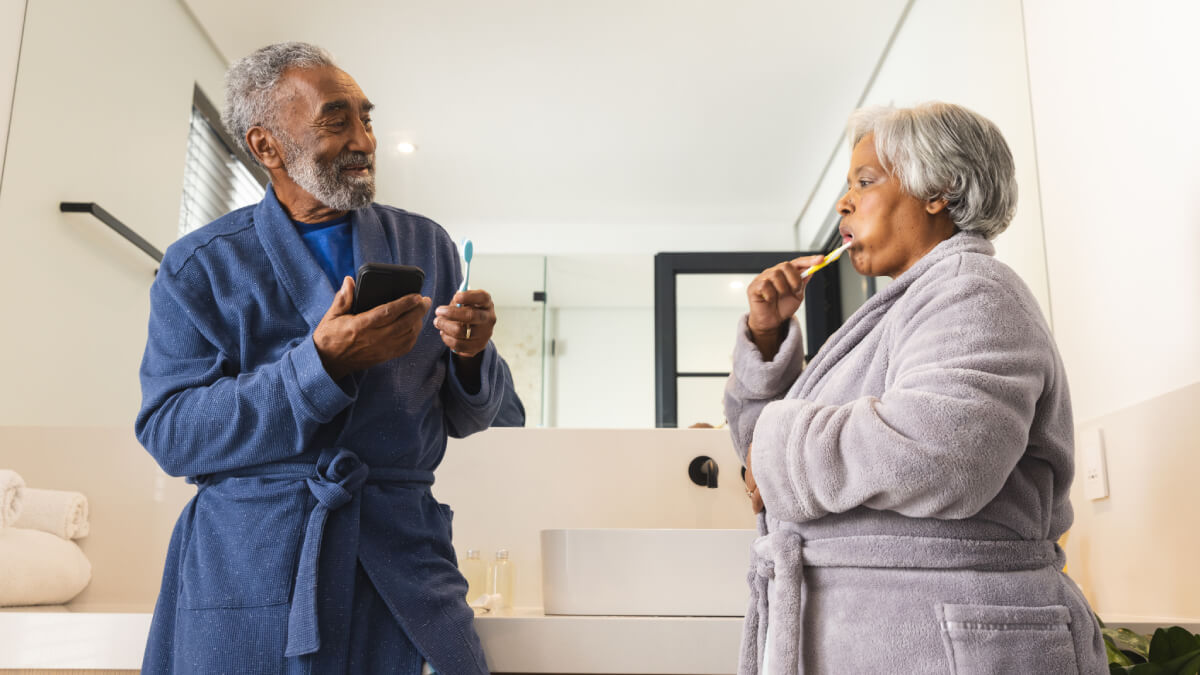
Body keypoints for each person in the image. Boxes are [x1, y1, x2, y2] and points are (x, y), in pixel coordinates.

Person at [135, 42, 514, 674]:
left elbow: (466, 416)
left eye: (367, 118)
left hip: (403, 556)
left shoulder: (425, 243)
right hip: (255, 560)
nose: (364, 139)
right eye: (336, 121)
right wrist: (318, 366)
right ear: (266, 146)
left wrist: (473, 356)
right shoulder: (201, 266)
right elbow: (172, 434)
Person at [725, 102, 1107, 673]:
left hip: (954, 642)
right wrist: (767, 335)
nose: (843, 202)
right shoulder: (903, 311)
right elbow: (762, 460)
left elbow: (945, 454)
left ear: (940, 189)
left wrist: (778, 449)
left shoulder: (974, 290)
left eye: (865, 180)